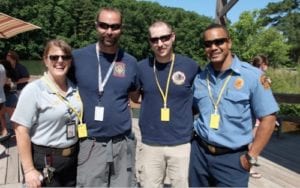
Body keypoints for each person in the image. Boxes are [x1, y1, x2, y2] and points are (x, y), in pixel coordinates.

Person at [189, 23, 279, 187]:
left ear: (229, 42)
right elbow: (191, 109)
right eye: (208, 44)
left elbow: (269, 118)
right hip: (199, 154)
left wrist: (251, 157)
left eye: (219, 42)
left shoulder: (252, 76)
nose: (213, 47)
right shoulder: (200, 78)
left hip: (232, 159)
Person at [71, 7, 139, 187]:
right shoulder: (77, 58)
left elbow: (135, 96)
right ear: (96, 26)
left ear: (121, 29)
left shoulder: (130, 62)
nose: (109, 31)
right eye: (104, 25)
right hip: (90, 143)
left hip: (123, 143)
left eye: (115, 26)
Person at [130, 21, 199, 188]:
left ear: (173, 37)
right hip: (150, 143)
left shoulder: (190, 66)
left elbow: (199, 101)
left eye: (165, 38)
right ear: (150, 42)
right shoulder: (141, 67)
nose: (160, 44)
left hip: (181, 144)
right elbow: (134, 97)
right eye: (155, 40)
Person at [11, 39, 82, 187]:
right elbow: (20, 130)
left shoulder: (74, 88)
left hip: (72, 159)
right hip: (46, 159)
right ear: (46, 60)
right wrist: (29, 170)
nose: (60, 61)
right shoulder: (34, 90)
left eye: (65, 57)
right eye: (54, 57)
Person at [250, 54, 271, 179]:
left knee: (251, 139)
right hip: (257, 115)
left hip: (251, 114)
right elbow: (266, 97)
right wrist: (268, 83)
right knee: (252, 141)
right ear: (263, 65)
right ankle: (250, 166)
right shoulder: (261, 76)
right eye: (266, 64)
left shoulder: (249, 73)